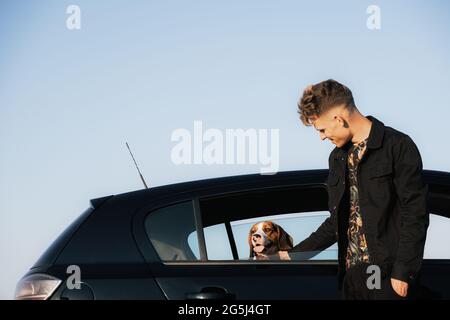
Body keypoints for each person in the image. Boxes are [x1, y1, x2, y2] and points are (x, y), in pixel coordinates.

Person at [279, 79, 429, 300]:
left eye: (321, 129)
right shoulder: (338, 157)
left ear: (338, 119)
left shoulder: (396, 145)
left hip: (382, 274)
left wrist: (402, 274)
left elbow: (415, 213)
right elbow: (337, 221)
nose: (321, 137)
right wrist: (292, 255)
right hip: (349, 277)